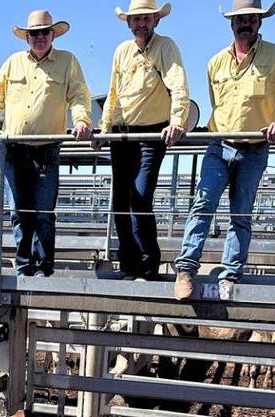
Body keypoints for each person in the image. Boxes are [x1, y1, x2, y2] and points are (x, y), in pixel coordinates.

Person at [172, 0, 275, 300]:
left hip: (255, 149)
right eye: (239, 19)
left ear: (260, 22)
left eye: (250, 18)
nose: (244, 23)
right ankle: (186, 269)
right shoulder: (216, 62)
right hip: (219, 144)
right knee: (202, 204)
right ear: (231, 23)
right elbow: (216, 104)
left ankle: (231, 273)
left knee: (240, 214)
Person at [0, 10, 93, 277]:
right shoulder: (13, 62)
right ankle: (24, 266)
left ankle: (44, 268)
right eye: (34, 33)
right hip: (15, 147)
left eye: (44, 32)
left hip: (47, 148)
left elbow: (79, 95)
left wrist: (81, 120)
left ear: (53, 34)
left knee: (44, 211)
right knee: (19, 212)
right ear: (27, 37)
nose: (39, 37)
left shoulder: (67, 62)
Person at [94, 0, 191, 282]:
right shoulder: (122, 52)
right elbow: (113, 93)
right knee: (121, 201)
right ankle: (129, 264)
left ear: (156, 21)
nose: (141, 24)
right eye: (136, 19)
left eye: (146, 19)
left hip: (151, 134)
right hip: (121, 134)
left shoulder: (165, 47)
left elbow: (178, 84)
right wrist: (104, 128)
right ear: (128, 23)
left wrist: (177, 122)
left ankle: (148, 266)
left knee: (140, 197)